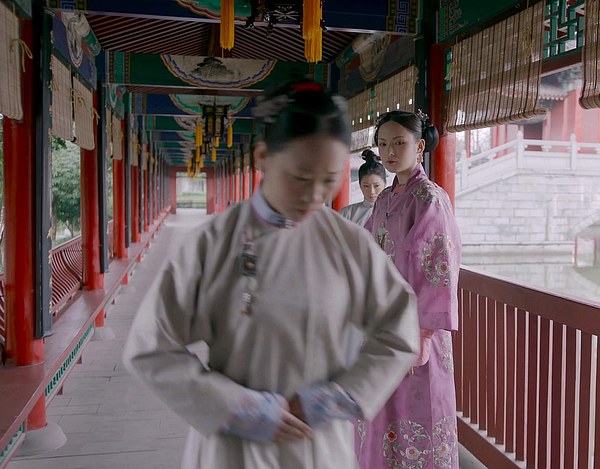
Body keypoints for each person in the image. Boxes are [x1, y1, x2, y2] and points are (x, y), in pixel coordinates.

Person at [123, 80, 420, 469]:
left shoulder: (349, 244)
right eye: (300, 176)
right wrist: (235, 405)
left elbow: (399, 326)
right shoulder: (213, 243)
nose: (315, 194)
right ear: (263, 157)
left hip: (318, 443)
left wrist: (339, 396)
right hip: (235, 446)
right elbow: (150, 345)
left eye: (329, 179)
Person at [358, 110, 462, 469]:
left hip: (417, 328)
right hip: (381, 321)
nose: (389, 152)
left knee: (418, 408)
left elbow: (439, 265)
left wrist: (422, 335)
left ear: (419, 146)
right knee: (381, 408)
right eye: (383, 144)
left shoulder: (429, 198)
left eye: (399, 143)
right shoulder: (385, 198)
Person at [338, 149, 386, 226]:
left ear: (385, 184)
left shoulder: (394, 212)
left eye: (376, 186)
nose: (372, 191)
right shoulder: (347, 213)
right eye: (366, 186)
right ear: (360, 185)